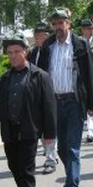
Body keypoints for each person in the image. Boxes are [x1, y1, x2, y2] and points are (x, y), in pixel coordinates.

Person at [0, 34, 56, 187]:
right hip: (10, 131)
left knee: (26, 170)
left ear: (25, 52)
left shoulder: (39, 76)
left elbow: (49, 106)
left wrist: (50, 134)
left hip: (29, 130)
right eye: (10, 53)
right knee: (14, 168)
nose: (13, 56)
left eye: (17, 52)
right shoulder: (4, 79)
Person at [35, 8, 93, 187]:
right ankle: (71, 174)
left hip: (74, 102)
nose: (58, 27)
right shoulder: (48, 45)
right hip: (54, 103)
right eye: (54, 24)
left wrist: (92, 103)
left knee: (71, 146)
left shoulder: (79, 44)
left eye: (61, 23)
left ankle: (72, 184)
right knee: (61, 147)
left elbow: (90, 75)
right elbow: (40, 75)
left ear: (68, 23)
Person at [27, 23, 57, 175]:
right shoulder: (33, 52)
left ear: (47, 36)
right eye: (36, 35)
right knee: (39, 129)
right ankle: (49, 153)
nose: (37, 38)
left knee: (49, 127)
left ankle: (51, 159)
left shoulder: (52, 51)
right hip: (35, 96)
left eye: (40, 35)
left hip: (50, 94)